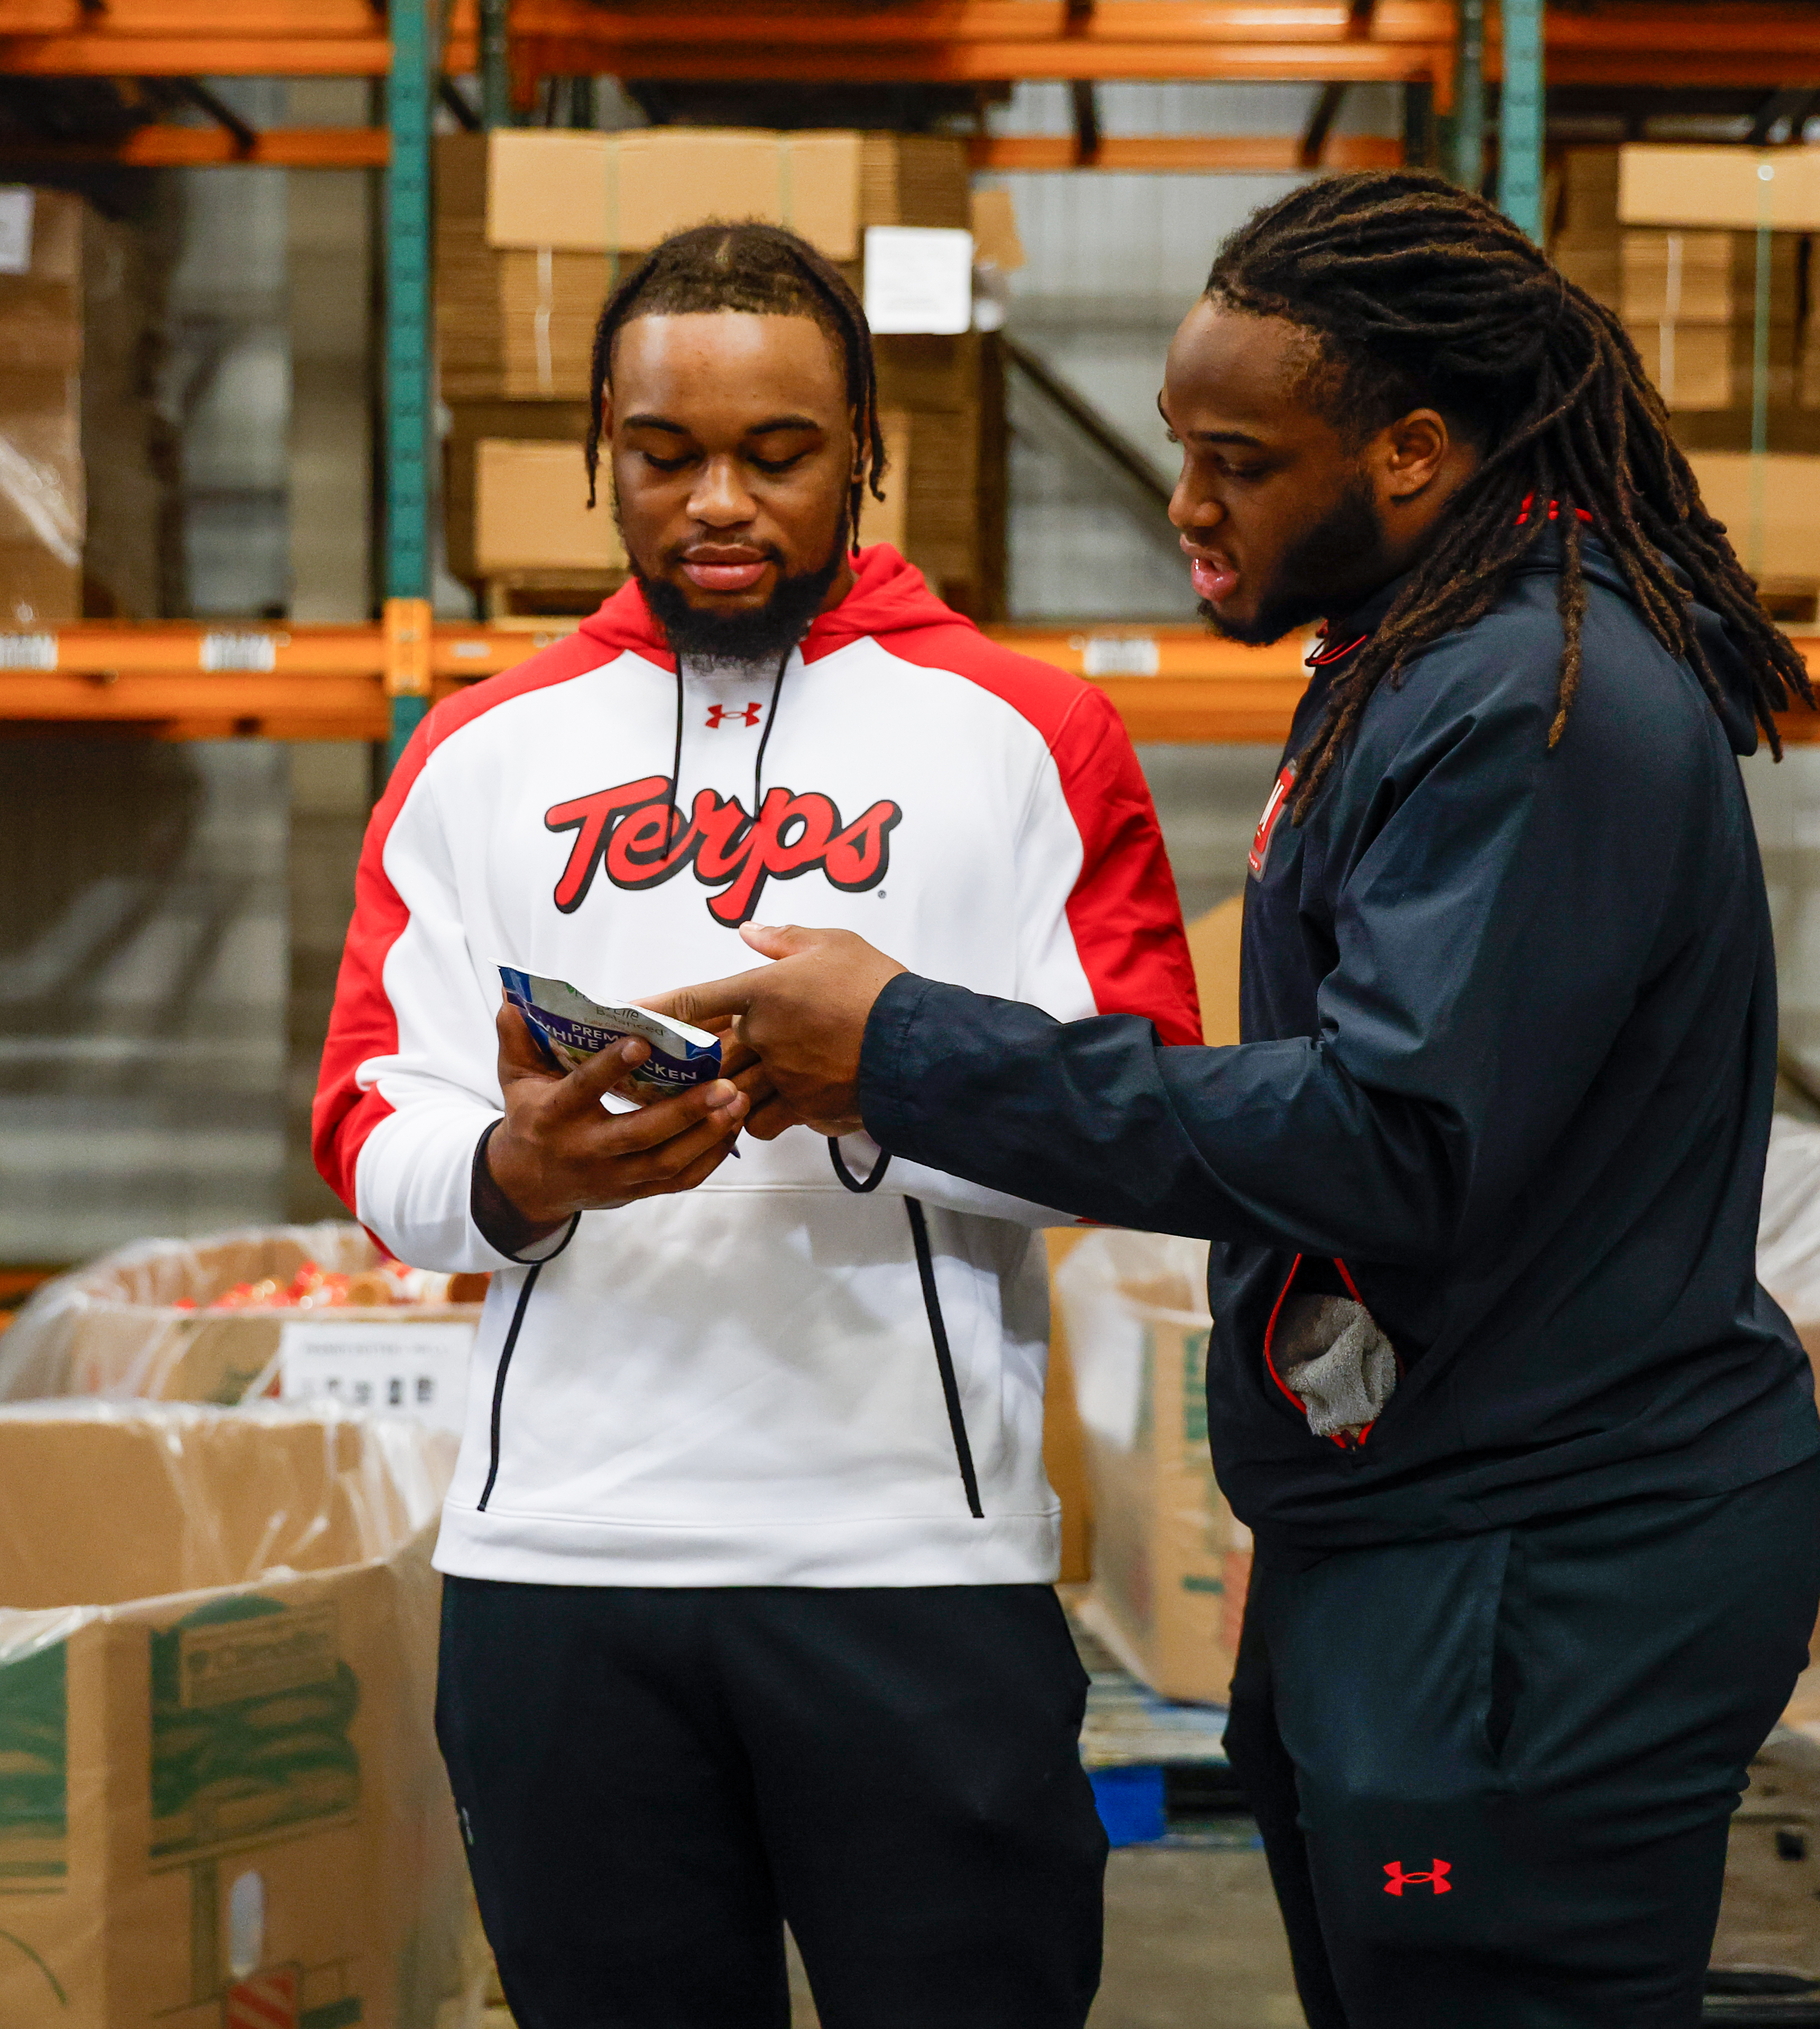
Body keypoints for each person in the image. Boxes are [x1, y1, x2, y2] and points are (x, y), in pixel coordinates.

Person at [662, 171, 1820, 2026]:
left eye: (1238, 457)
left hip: (1541, 1570)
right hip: (1423, 1527)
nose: (1187, 505)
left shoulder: (1539, 705)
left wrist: (905, 1045)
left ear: (1418, 448)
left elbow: (1390, 1134)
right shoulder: (1433, 655)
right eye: (1178, 448)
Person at [312, 223, 1198, 2028]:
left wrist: (894, 1070)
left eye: (779, 453)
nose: (719, 501)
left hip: (911, 1572)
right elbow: (367, 1115)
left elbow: (1147, 1111)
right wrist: (518, 1171)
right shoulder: (480, 752)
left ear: (865, 452)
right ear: (597, 457)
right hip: (560, 1573)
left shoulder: (1030, 734)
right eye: (664, 455)